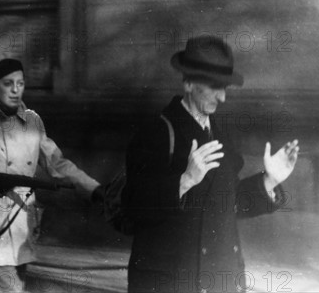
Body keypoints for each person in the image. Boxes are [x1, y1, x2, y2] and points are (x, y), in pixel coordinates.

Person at [124, 35, 299, 293]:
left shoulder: (219, 133)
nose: (223, 97)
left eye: (225, 87)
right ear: (188, 82)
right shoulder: (156, 132)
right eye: (215, 86)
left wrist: (268, 180)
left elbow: (229, 203)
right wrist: (184, 181)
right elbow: (131, 210)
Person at [0, 58, 103, 293]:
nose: (16, 90)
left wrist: (94, 189)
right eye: (8, 83)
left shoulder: (32, 120)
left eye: (21, 83)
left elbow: (57, 163)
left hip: (23, 223)